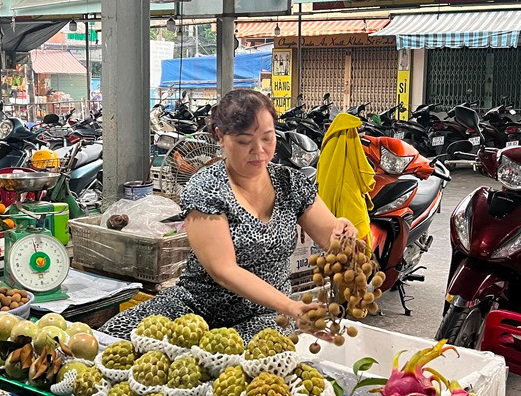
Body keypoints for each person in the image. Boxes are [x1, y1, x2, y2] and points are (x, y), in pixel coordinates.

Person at [101, 89, 356, 341]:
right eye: (245, 142)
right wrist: (292, 307)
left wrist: (344, 235)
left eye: (268, 138)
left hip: (268, 314)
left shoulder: (291, 183)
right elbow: (224, 269)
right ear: (220, 136)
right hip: (197, 309)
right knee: (114, 335)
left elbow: (333, 243)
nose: (259, 151)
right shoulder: (206, 187)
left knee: (234, 365)